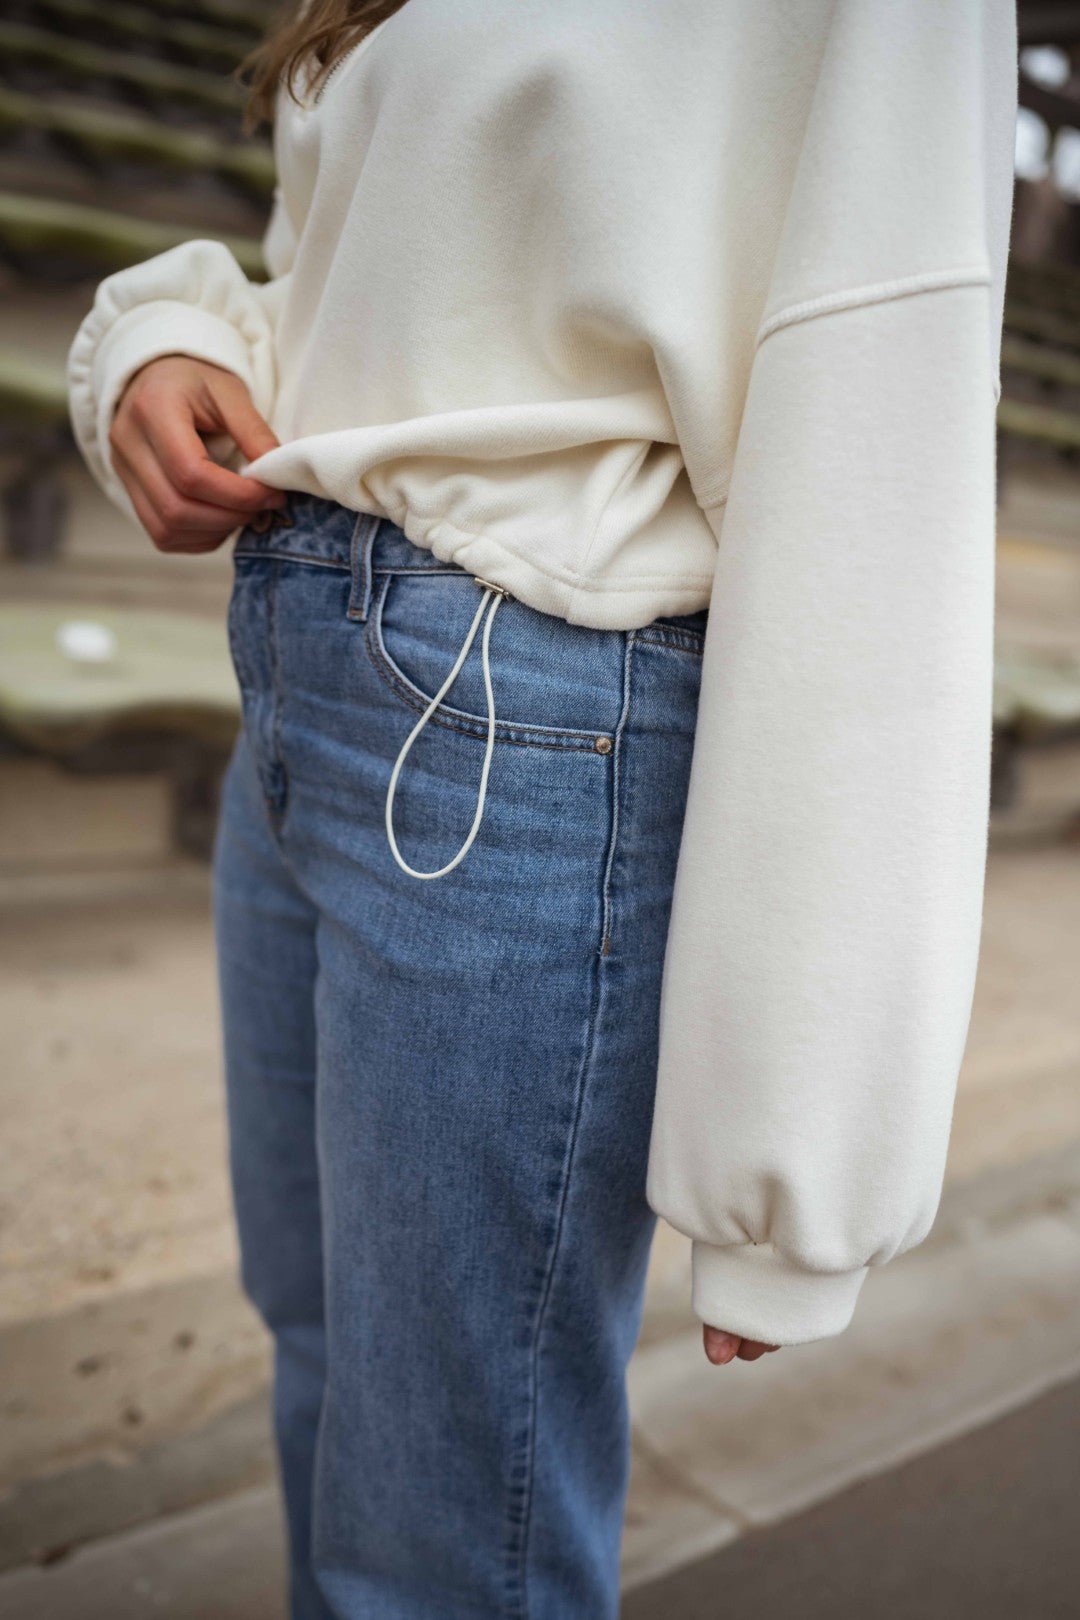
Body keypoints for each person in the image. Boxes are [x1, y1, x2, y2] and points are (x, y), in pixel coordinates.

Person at [67, 2, 1018, 1615]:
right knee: (322, 1359)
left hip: (526, 725)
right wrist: (178, 339)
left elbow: (878, 441)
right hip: (305, 668)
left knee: (439, 1540)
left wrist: (797, 1162)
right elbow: (348, 272)